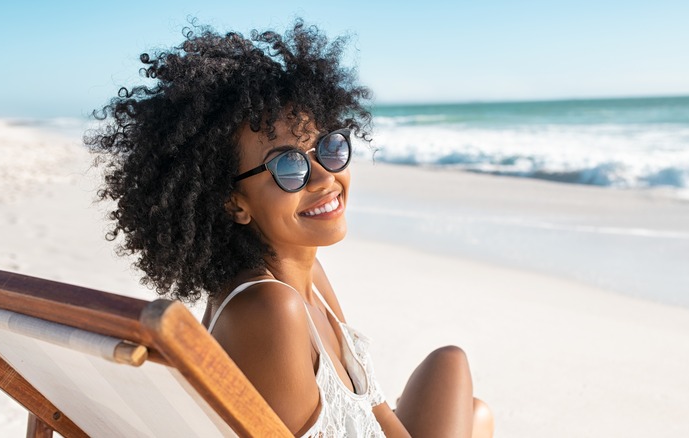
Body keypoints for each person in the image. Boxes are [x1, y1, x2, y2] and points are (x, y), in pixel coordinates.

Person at [86, 20, 494, 437]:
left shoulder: (307, 274)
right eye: (288, 165)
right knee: (471, 406)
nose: (323, 178)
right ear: (234, 202)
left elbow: (375, 409)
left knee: (456, 374)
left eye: (328, 148)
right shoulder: (268, 309)